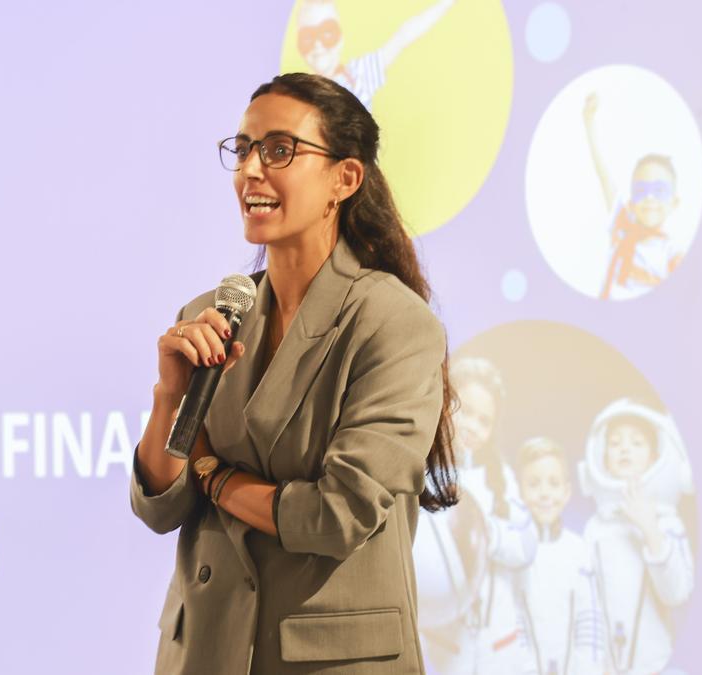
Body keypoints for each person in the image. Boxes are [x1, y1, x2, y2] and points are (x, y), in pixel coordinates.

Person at [129, 72, 459, 674]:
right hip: (205, 650)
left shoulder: (394, 323)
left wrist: (214, 475)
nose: (251, 170)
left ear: (345, 178)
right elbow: (158, 508)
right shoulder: (209, 313)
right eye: (244, 149)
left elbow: (337, 515)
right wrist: (170, 396)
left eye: (279, 150)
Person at [419, 356, 536, 674]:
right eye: (466, 412)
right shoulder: (423, 474)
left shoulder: (500, 480)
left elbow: (526, 546)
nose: (473, 426)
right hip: (444, 645)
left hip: (499, 645)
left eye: (485, 420)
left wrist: (485, 534)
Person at [577, 399, 695, 673]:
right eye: (615, 443)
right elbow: (586, 604)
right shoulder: (596, 528)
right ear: (602, 458)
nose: (624, 449)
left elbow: (676, 593)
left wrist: (649, 528)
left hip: (656, 665)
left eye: (637, 443)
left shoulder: (667, 522)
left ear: (655, 457)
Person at [514, 437, 605, 675]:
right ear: (520, 491)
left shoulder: (579, 550)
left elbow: (590, 620)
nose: (545, 494)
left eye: (553, 484)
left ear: (566, 492)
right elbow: (513, 624)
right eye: (534, 484)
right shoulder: (513, 552)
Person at [582, 92, 685, 300]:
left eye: (659, 190)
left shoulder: (671, 253)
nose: (650, 198)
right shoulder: (621, 225)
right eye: (641, 190)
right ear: (631, 202)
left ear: (674, 203)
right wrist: (589, 123)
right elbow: (604, 177)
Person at [297, 0, 457, 111]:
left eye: (327, 32)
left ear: (340, 37)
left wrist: (445, 3)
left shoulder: (359, 73)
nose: (318, 45)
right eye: (308, 37)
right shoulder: (298, 95)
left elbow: (403, 36)